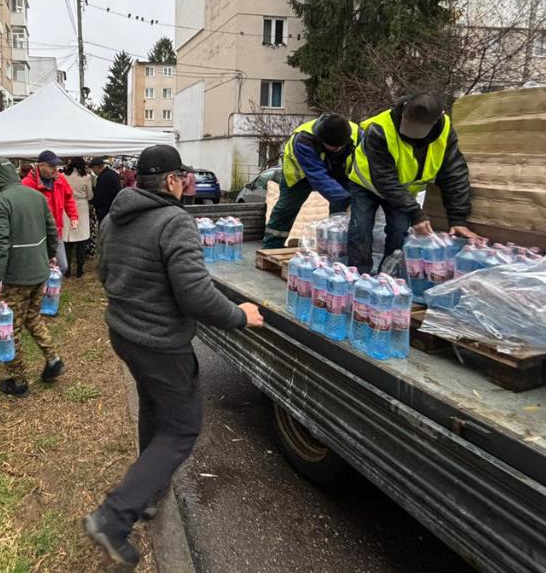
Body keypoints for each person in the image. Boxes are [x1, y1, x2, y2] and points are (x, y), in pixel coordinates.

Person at [84, 145, 264, 566]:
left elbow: (103, 273)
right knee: (182, 427)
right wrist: (240, 314)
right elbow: (196, 295)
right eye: (183, 175)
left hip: (124, 333)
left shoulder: (112, 218)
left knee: (153, 405)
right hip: (161, 344)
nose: (187, 182)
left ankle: (147, 491)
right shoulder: (175, 221)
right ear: (170, 180)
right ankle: (113, 517)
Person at [347, 92, 476, 274]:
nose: (412, 136)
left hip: (400, 189)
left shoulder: (445, 131)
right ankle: (358, 275)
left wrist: (457, 218)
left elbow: (454, 174)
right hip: (366, 184)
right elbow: (385, 178)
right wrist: (416, 213)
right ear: (404, 110)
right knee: (361, 228)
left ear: (434, 122)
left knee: (399, 230)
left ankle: (389, 275)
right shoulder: (379, 129)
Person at [0, 158, 65, 397]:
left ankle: (18, 380)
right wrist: (50, 255)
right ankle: (53, 359)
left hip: (16, 277)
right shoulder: (36, 196)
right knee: (33, 317)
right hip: (39, 272)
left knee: (11, 328)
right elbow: (51, 230)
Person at [262, 113, 360, 248]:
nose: (337, 149)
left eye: (340, 146)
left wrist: (350, 201)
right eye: (332, 146)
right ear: (321, 139)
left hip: (339, 171)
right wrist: (347, 200)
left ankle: (336, 247)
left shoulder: (357, 135)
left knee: (341, 212)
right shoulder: (304, 140)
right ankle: (270, 248)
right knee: (285, 210)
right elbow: (318, 177)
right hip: (301, 174)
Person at [22, 150, 79, 276]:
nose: (55, 169)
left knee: (62, 266)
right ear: (41, 165)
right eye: (52, 166)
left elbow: (68, 198)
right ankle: (44, 286)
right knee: (41, 267)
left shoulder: (60, 179)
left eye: (56, 166)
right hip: (37, 235)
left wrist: (73, 216)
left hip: (56, 232)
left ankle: (51, 285)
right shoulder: (27, 184)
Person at [63, 157, 94, 278]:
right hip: (81, 208)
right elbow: (90, 195)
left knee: (67, 241)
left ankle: (67, 270)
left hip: (67, 207)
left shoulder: (63, 177)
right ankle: (80, 269)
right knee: (81, 240)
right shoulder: (86, 177)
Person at [89, 156, 122, 222]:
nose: (93, 171)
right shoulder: (112, 173)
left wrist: (91, 201)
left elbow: (100, 197)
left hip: (106, 212)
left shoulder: (103, 177)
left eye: (92, 169)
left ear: (96, 167)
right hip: (114, 209)